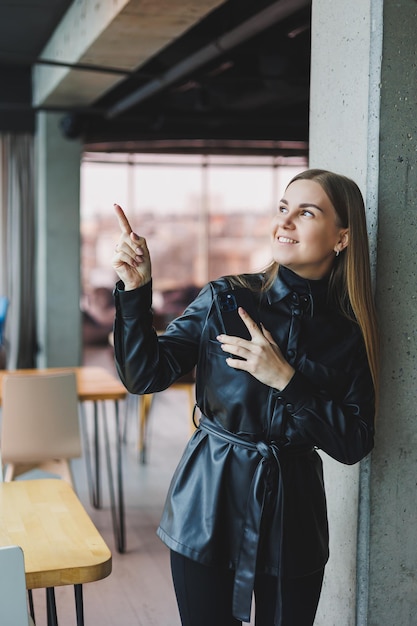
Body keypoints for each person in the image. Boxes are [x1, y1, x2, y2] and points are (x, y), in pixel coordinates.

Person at [111, 169, 379, 626]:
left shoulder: (348, 332)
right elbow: (145, 375)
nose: (285, 222)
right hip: (207, 504)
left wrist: (288, 380)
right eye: (282, 208)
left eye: (306, 212)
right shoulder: (225, 299)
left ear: (342, 237)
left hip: (295, 517)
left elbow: (354, 442)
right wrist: (136, 293)